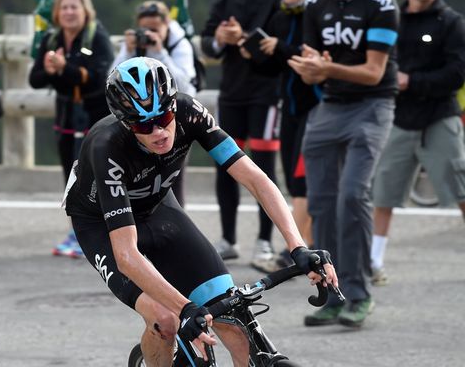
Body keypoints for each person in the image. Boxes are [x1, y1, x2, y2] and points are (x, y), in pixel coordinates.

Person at [63, 57, 338, 367]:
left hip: (157, 208)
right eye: (143, 124)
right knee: (165, 320)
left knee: (233, 320)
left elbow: (256, 180)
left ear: (173, 106)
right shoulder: (107, 146)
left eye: (163, 116)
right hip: (101, 223)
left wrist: (297, 246)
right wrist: (185, 310)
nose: (158, 132)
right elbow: (126, 256)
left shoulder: (190, 113)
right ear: (126, 123)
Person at [289, 0, 398, 328]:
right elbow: (314, 57)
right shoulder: (316, 4)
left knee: (353, 196)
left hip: (372, 106)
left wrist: (326, 68)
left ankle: (360, 293)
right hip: (330, 107)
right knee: (320, 203)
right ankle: (334, 295)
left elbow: (373, 72)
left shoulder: (380, 4)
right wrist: (311, 64)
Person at [371, 0, 465, 286]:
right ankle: (374, 262)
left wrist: (413, 82)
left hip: (440, 118)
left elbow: (457, 72)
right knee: (383, 195)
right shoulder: (390, 19)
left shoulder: (451, 22)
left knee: (461, 190)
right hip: (398, 119)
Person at [200, 0, 283, 272]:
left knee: (262, 166)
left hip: (267, 93)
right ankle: (228, 239)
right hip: (232, 93)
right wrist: (220, 39)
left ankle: (265, 240)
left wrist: (242, 38)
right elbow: (207, 41)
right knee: (225, 164)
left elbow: (279, 41)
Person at [241, 0, 321, 266]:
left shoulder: (316, 16)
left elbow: (308, 57)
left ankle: (295, 252)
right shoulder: (280, 18)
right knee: (291, 177)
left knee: (302, 180)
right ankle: (309, 242)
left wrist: (280, 48)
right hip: (289, 108)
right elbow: (273, 68)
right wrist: (252, 52)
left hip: (315, 107)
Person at [29, 0, 114, 258]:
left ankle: (107, 230)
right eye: (64, 7)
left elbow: (101, 76)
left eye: (74, 7)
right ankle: (79, 232)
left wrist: (66, 69)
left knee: (98, 175)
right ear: (57, 12)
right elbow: (35, 79)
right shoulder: (52, 40)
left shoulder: (96, 37)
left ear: (85, 11)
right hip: (66, 118)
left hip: (94, 117)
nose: (68, 12)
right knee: (72, 177)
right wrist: (52, 69)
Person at [111, 0, 197, 205]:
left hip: (175, 117)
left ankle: (177, 226)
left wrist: (159, 52)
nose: (149, 35)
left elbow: (183, 84)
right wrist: (129, 51)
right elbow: (112, 81)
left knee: (174, 179)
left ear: (167, 24)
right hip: (143, 119)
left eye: (155, 29)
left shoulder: (179, 44)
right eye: (145, 29)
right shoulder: (134, 44)